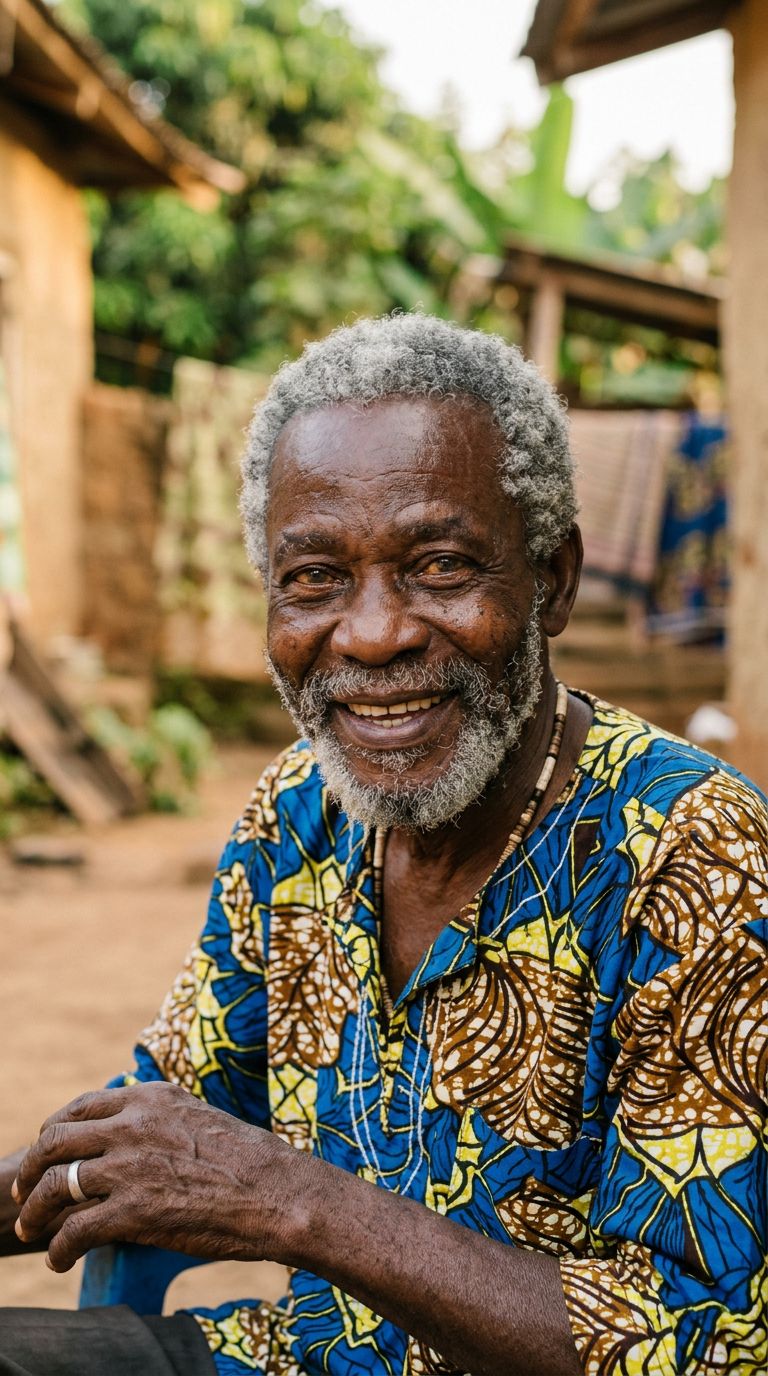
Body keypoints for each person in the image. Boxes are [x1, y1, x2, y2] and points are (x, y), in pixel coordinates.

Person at [1, 315, 766, 1376]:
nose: (371, 633)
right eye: (314, 577)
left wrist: (298, 1203)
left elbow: (709, 1341)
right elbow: (160, 1124)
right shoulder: (296, 814)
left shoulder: (690, 853)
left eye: (441, 566)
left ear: (551, 579)